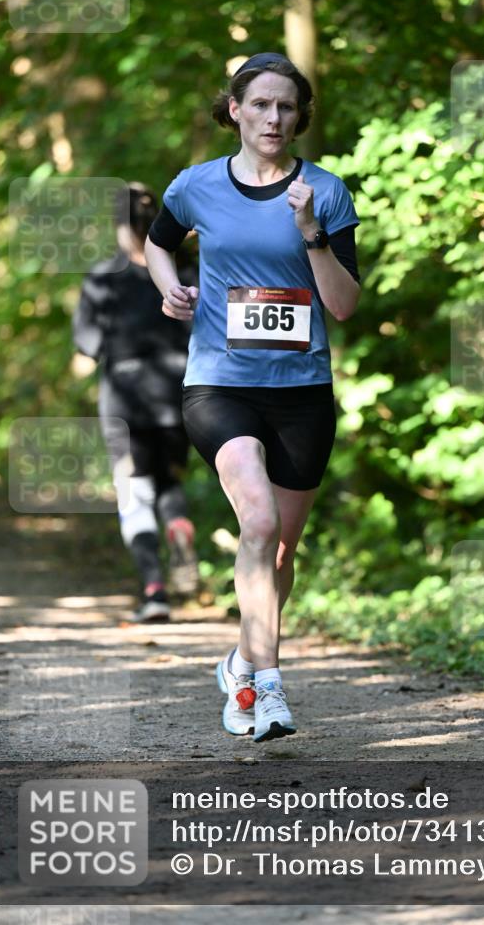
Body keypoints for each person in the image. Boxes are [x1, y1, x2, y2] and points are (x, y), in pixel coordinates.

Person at [145, 52, 360, 741]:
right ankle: (265, 689)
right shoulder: (196, 186)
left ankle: (242, 659)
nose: (273, 117)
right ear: (234, 110)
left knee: (278, 553)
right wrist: (167, 285)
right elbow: (157, 243)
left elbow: (344, 306)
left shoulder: (324, 193)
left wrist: (311, 236)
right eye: (260, 104)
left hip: (301, 393)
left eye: (286, 108)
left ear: (299, 120)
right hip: (218, 384)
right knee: (257, 520)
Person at [73, 182, 200, 623]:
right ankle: (179, 527)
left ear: (118, 226)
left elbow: (87, 344)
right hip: (177, 393)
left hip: (124, 401)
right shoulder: (185, 275)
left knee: (134, 493)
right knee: (167, 482)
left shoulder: (102, 278)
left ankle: (154, 589)